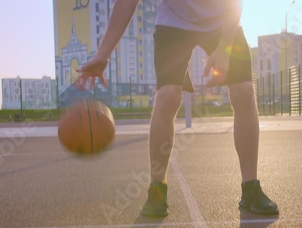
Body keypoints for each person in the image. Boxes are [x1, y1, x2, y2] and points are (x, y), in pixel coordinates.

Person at [75, 0, 279, 217]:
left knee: (244, 91)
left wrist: (225, 47)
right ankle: (157, 189)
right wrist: (102, 55)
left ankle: (250, 188)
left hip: (222, 19)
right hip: (174, 24)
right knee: (167, 97)